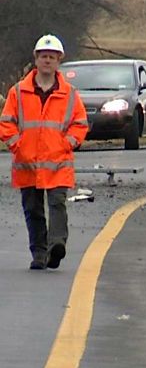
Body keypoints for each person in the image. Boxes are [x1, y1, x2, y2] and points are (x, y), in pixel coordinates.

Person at [0, 34, 89, 270]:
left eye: (51, 56)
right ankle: (39, 253)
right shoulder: (18, 92)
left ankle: (56, 245)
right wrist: (18, 146)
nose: (47, 60)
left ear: (59, 60)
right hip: (27, 163)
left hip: (58, 162)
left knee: (57, 204)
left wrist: (66, 143)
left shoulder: (69, 94)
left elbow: (80, 124)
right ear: (36, 59)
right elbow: (6, 122)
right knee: (33, 209)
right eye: (43, 56)